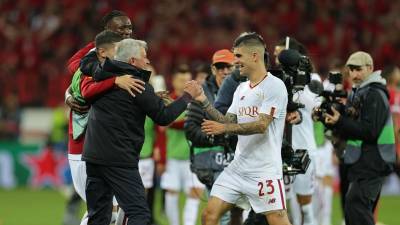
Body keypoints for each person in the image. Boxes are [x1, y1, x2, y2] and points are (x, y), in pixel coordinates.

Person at [82, 38, 202, 225]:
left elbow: (84, 64)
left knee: (98, 215)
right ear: (132, 61)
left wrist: (152, 97)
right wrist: (188, 97)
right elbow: (164, 116)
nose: (147, 61)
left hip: (93, 156)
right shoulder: (137, 85)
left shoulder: (101, 75)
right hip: (119, 158)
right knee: (139, 214)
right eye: (144, 57)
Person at [196, 32, 291, 225]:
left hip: (264, 171)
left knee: (278, 221)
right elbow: (226, 119)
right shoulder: (241, 89)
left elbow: (262, 125)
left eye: (238, 56)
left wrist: (225, 129)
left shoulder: (274, 86)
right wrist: (203, 101)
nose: (235, 61)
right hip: (238, 168)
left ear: (254, 56)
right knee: (209, 215)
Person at [67, 30, 138, 225]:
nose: (127, 32)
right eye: (118, 47)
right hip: (85, 149)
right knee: (102, 210)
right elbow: (84, 93)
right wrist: (115, 81)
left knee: (115, 210)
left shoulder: (113, 71)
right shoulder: (88, 70)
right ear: (102, 50)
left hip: (107, 149)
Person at [321, 51, 396, 225]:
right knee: (354, 210)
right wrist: (334, 123)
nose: (354, 74)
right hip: (363, 160)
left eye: (358, 69)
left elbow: (370, 131)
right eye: (351, 70)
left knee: (356, 207)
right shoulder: (361, 92)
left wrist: (341, 121)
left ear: (370, 68)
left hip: (374, 161)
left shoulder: (374, 94)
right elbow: (355, 127)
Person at [184, 49, 235, 225]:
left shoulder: (245, 89)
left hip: (238, 159)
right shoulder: (201, 93)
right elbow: (190, 129)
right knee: (222, 213)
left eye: (228, 66)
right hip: (211, 161)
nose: (225, 71)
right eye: (220, 67)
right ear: (213, 70)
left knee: (240, 211)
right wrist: (215, 137)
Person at [274, 38, 321, 225]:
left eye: (281, 52)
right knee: (282, 203)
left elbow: (314, 107)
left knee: (305, 206)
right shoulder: (275, 77)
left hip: (302, 148)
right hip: (280, 150)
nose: (277, 57)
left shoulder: (312, 78)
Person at [161, 65, 205, 225]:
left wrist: (175, 122)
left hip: (194, 156)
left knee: (194, 194)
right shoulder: (167, 100)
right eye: (180, 80)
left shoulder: (198, 101)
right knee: (171, 194)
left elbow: (174, 123)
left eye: (186, 80)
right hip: (172, 156)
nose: (183, 83)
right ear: (173, 81)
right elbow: (162, 126)